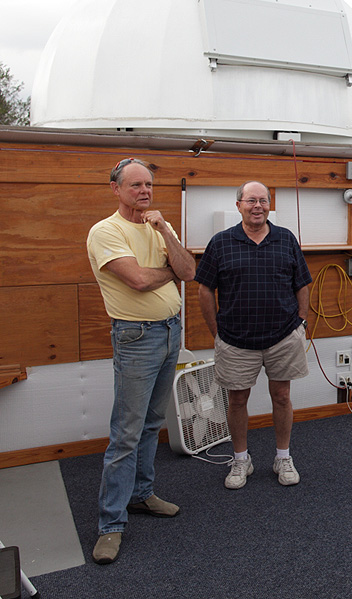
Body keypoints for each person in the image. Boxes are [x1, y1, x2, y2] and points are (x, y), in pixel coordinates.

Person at [86, 158, 196, 564]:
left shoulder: (158, 228)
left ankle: (141, 495)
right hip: (136, 337)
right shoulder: (106, 231)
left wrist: (166, 230)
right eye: (134, 185)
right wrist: (167, 270)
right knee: (126, 433)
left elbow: (188, 269)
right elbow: (136, 279)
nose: (144, 191)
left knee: (152, 423)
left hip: (169, 332)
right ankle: (110, 525)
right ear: (115, 189)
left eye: (148, 184)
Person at [196, 181, 311, 490]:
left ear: (269, 205)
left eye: (263, 200)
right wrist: (215, 331)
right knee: (237, 400)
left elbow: (302, 282)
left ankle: (282, 457)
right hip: (235, 340)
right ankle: (240, 459)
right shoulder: (220, 243)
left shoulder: (286, 239)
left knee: (282, 396)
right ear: (239, 205)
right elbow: (204, 288)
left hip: (283, 337)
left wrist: (301, 321)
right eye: (251, 200)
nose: (257, 206)